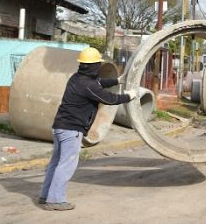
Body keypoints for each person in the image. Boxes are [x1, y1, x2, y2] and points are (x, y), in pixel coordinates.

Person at [39, 47, 136, 211]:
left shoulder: (76, 78)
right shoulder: (87, 85)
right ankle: (55, 200)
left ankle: (45, 195)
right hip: (71, 130)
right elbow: (109, 98)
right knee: (66, 165)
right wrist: (129, 96)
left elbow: (98, 83)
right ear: (94, 66)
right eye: (98, 64)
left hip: (59, 127)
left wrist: (116, 81)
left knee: (56, 163)